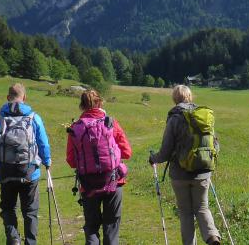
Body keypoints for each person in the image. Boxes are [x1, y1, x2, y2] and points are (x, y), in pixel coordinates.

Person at [149, 85, 221, 245]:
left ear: (175, 98)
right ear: (190, 97)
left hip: (179, 174)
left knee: (186, 212)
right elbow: (215, 144)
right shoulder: (204, 116)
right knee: (202, 208)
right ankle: (212, 237)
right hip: (202, 172)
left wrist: (153, 158)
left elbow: (165, 151)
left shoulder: (174, 118)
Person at [0, 82, 52, 245]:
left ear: (8, 98)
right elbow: (43, 144)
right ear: (24, 98)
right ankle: (30, 242)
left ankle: (13, 238)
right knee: (30, 212)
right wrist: (47, 162)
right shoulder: (34, 118)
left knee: (8, 208)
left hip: (6, 172)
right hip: (29, 173)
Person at [67, 89, 132, 245]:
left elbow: (71, 161)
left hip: (88, 185)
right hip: (113, 181)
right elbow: (127, 152)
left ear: (82, 106)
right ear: (100, 102)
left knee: (91, 227)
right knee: (111, 225)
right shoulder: (111, 122)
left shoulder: (75, 128)